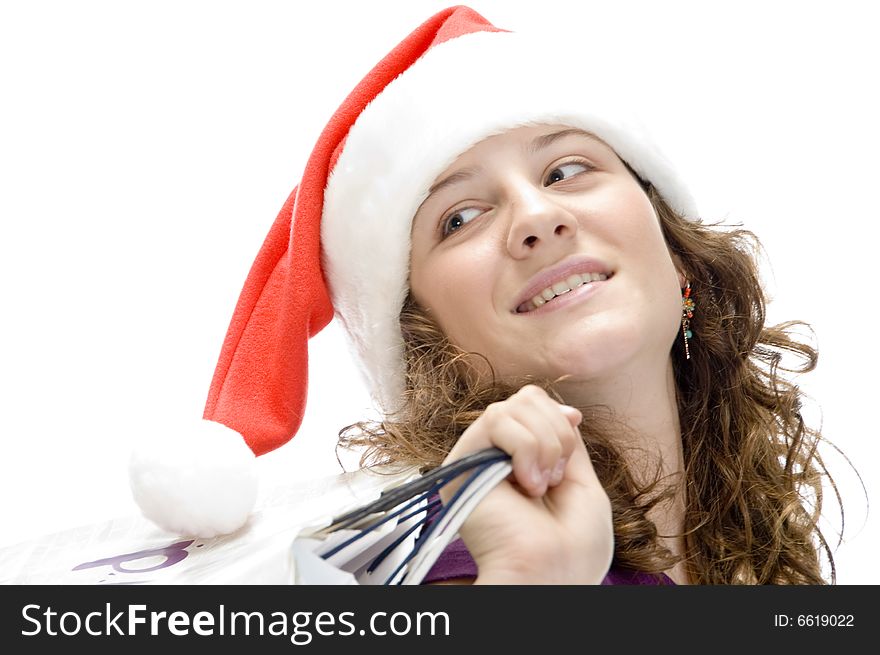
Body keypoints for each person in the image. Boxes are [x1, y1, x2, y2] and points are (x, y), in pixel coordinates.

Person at [129, 5, 844, 585]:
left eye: (566, 169)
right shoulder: (453, 577)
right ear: (427, 348)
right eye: (460, 218)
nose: (536, 218)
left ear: (679, 256)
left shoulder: (765, 551)